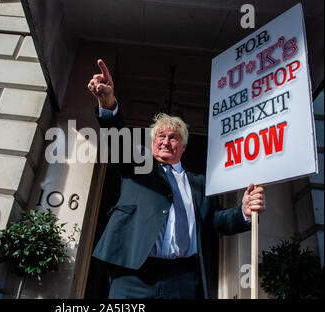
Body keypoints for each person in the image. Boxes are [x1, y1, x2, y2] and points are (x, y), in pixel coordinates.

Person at [87, 59, 266, 299]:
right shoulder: (137, 166)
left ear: (182, 147)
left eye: (173, 137)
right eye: (161, 136)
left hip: (182, 279)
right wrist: (107, 103)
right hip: (134, 275)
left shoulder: (200, 183)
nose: (165, 141)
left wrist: (243, 211)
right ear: (152, 144)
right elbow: (118, 141)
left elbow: (216, 221)